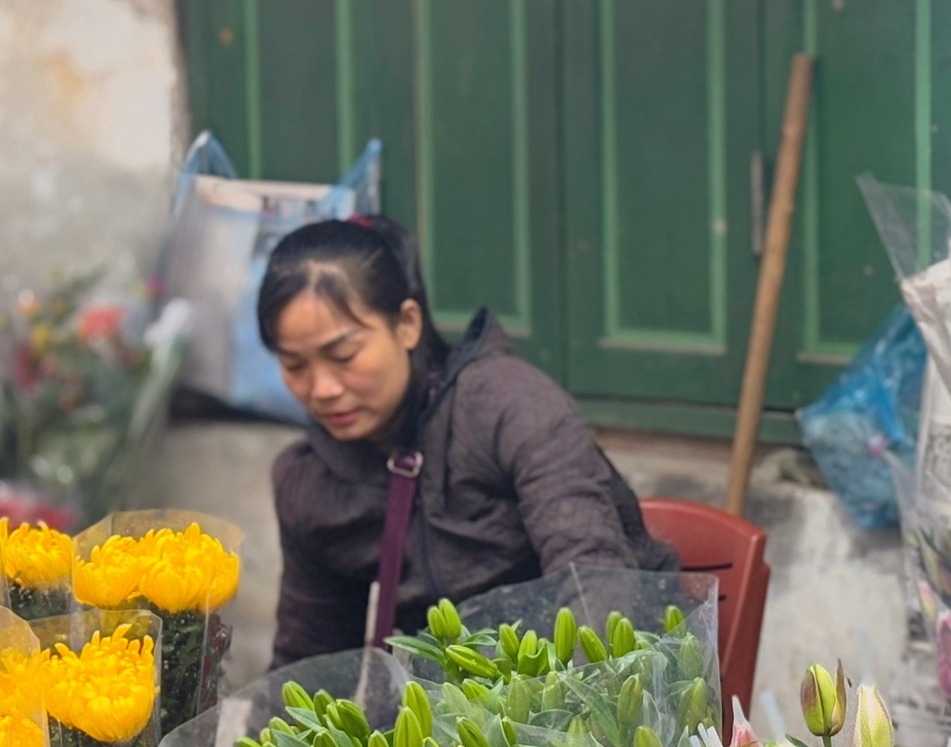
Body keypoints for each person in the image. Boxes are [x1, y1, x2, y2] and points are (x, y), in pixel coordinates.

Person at [260, 215, 678, 664]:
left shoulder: (512, 409)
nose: (321, 389)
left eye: (343, 355)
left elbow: (596, 586)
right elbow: (310, 661)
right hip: (452, 715)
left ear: (407, 323)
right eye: (295, 366)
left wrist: (549, 721)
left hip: (600, 685)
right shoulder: (309, 480)